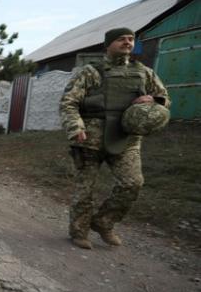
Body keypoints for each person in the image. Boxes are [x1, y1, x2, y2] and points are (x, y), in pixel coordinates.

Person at [59, 28, 170, 250]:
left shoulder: (145, 73)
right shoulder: (91, 72)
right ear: (108, 45)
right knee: (85, 189)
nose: (127, 43)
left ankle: (103, 222)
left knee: (133, 183)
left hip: (126, 140)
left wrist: (154, 99)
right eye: (121, 39)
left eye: (131, 39)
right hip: (89, 139)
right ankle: (79, 232)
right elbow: (68, 102)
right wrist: (75, 127)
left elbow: (165, 99)